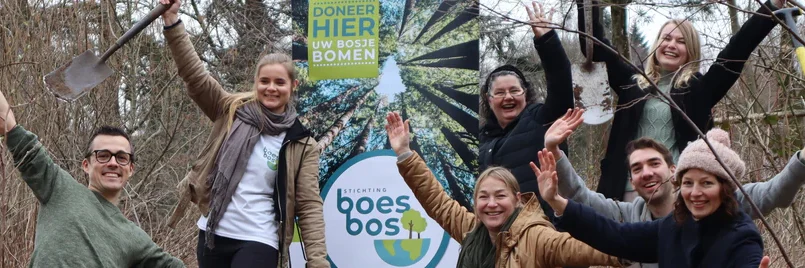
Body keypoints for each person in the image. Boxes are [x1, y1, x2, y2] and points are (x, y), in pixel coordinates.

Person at [159, 1, 327, 267]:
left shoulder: (301, 143)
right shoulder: (231, 110)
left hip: (259, 239)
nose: (271, 88)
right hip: (212, 234)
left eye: (279, 82)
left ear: (292, 86)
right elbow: (195, 76)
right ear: (256, 83)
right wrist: (172, 21)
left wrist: (317, 262)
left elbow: (308, 207)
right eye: (265, 81)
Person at [575, 0, 786, 201]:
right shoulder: (633, 84)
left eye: (681, 41)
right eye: (666, 38)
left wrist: (771, 7)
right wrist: (586, 4)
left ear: (690, 51)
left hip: (676, 193)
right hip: (626, 192)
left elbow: (738, 49)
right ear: (657, 44)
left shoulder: (700, 88)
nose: (671, 45)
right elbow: (593, 46)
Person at [540, 108, 805, 267]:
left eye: (707, 183)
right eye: (689, 183)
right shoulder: (667, 226)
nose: (696, 192)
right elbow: (611, 233)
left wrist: (802, 161)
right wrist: (555, 199)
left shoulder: (741, 232)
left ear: (671, 171)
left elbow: (774, 192)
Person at [385, 111, 625, 268]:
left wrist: (634, 248)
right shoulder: (471, 229)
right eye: (484, 197)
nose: (491, 204)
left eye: (500, 196)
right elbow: (436, 201)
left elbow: (579, 249)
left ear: (517, 199)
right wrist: (405, 153)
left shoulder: (535, 236)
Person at [0, 90, 184, 267]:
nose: (113, 163)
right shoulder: (59, 188)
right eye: (103, 155)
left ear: (131, 168)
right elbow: (9, 125)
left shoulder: (136, 238)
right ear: (86, 165)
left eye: (121, 157)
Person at [479, 2, 574, 219]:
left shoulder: (542, 118)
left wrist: (547, 40)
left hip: (543, 229)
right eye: (500, 93)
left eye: (515, 90)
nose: (508, 97)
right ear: (489, 99)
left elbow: (561, 82)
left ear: (526, 93)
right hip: (499, 234)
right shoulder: (481, 140)